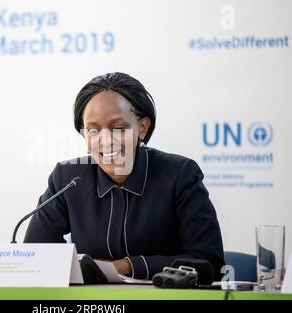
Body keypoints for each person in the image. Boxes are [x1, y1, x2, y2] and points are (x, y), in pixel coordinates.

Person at [24, 72, 224, 280]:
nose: (106, 141)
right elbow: (36, 254)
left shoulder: (179, 174)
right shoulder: (68, 177)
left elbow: (208, 262)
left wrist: (127, 266)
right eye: (93, 131)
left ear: (142, 128)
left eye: (118, 128)